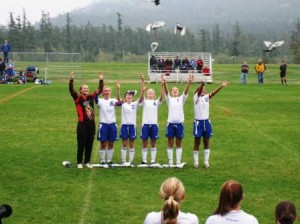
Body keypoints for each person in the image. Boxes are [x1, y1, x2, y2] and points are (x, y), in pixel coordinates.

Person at [69, 71, 103, 169]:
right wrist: (71, 79)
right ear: (80, 90)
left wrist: (101, 79)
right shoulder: (77, 98)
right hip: (82, 124)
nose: (87, 89)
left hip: (91, 124)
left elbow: (99, 90)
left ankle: (87, 161)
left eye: (87, 88)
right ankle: (79, 162)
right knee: (81, 143)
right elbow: (71, 90)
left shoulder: (91, 97)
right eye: (84, 88)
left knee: (89, 143)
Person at [193, 80, 229, 169]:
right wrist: (201, 85)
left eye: (205, 90)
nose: (203, 91)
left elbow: (213, 93)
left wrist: (221, 85)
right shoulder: (196, 98)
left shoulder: (206, 97)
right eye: (202, 89)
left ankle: (206, 162)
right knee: (197, 142)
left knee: (206, 141)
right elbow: (199, 90)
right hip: (198, 123)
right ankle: (196, 162)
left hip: (206, 122)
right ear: (198, 90)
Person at [162, 74, 194, 165]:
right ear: (172, 92)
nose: (175, 91)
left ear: (178, 92)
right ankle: (171, 161)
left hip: (180, 123)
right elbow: (166, 91)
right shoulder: (169, 99)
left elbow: (186, 91)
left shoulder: (181, 99)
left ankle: (178, 160)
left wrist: (189, 81)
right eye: (173, 90)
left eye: (176, 90)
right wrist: (164, 82)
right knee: (170, 142)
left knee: (179, 142)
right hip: (170, 124)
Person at [120, 75, 146, 165]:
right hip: (124, 126)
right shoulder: (123, 104)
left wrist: (142, 85)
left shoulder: (135, 104)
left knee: (131, 144)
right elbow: (118, 98)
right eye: (127, 95)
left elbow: (142, 98)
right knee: (124, 143)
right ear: (125, 97)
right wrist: (118, 89)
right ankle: (123, 160)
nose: (129, 96)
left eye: (130, 95)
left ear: (132, 97)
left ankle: (130, 161)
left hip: (132, 126)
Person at [95, 80, 121, 166]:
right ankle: (102, 160)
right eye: (105, 91)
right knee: (103, 143)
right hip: (103, 124)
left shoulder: (113, 100)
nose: (107, 92)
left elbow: (119, 103)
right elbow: (95, 98)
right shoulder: (100, 101)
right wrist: (98, 89)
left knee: (111, 142)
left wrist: (118, 89)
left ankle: (109, 160)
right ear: (103, 92)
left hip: (112, 125)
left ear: (110, 92)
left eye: (108, 91)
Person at [140, 81, 164, 165]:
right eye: (149, 92)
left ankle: (153, 160)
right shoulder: (144, 101)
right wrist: (143, 88)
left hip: (154, 125)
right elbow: (141, 97)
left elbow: (161, 97)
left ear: (154, 94)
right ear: (147, 94)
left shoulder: (156, 102)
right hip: (145, 125)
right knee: (144, 142)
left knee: (153, 142)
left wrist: (162, 87)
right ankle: (144, 160)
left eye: (152, 93)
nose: (150, 94)